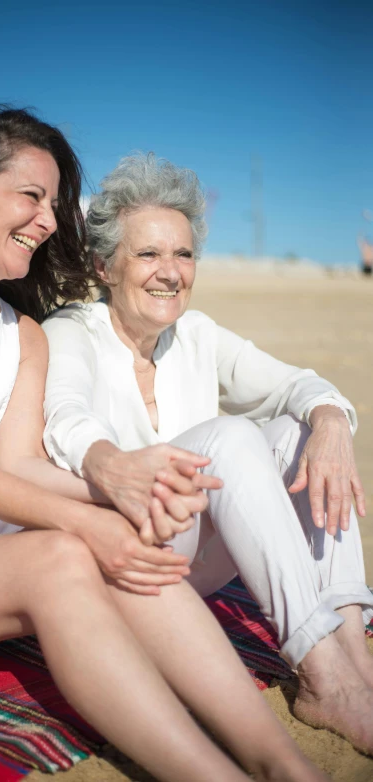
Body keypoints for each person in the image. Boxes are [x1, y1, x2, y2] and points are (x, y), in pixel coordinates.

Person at [0, 105, 330, 782]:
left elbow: (18, 464)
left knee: (114, 534)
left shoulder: (23, 333)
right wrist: (87, 517)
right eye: (31, 196)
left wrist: (127, 493)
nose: (48, 220)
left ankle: (282, 764)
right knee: (61, 552)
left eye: (54, 204)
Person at [43, 153, 373, 756]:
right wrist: (107, 462)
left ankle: (353, 652)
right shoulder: (72, 330)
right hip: (122, 561)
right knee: (231, 436)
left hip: (192, 560)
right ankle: (321, 672)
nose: (171, 272)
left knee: (301, 436)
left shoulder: (196, 335)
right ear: (103, 266)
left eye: (184, 254)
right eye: (148, 254)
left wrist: (329, 420)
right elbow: (64, 416)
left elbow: (298, 383)